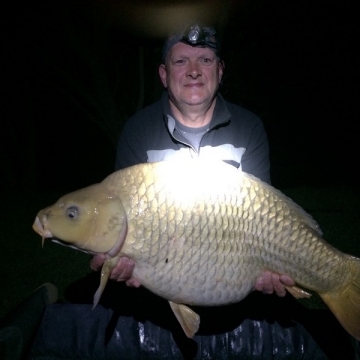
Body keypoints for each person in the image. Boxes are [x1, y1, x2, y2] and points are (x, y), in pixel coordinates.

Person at [91, 24, 294, 297]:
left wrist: (269, 266)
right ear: (164, 74)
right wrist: (119, 259)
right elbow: (124, 226)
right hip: (157, 296)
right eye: (181, 61)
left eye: (205, 60)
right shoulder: (138, 131)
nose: (194, 70)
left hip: (232, 279)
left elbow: (266, 221)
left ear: (220, 71)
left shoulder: (249, 127)